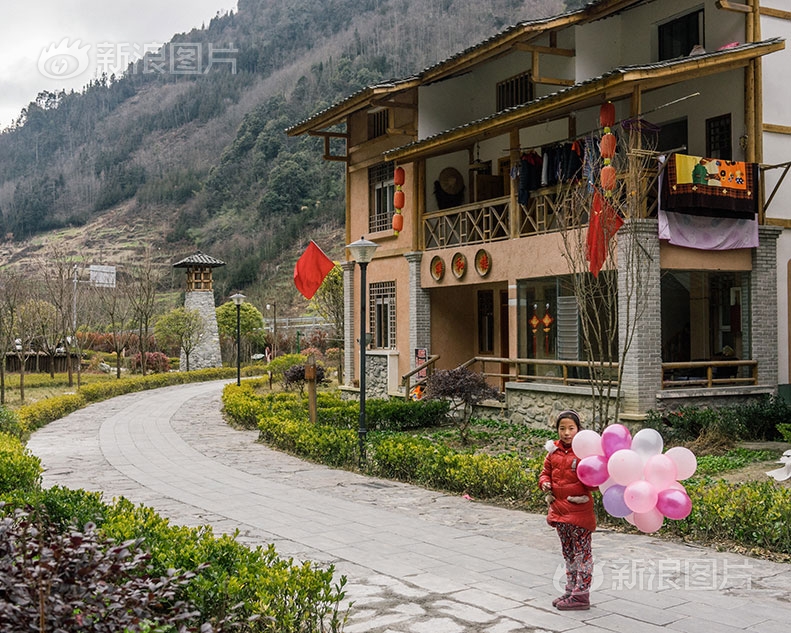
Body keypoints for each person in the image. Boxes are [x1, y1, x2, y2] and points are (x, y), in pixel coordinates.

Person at [539, 409, 596, 610]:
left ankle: (582, 595)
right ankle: (571, 590)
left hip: (579, 512)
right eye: (562, 428)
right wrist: (544, 483)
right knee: (569, 553)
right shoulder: (552, 452)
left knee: (583, 554)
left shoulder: (584, 453)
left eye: (571, 428)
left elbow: (594, 483)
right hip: (559, 511)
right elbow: (544, 473)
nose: (566, 433)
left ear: (578, 430)